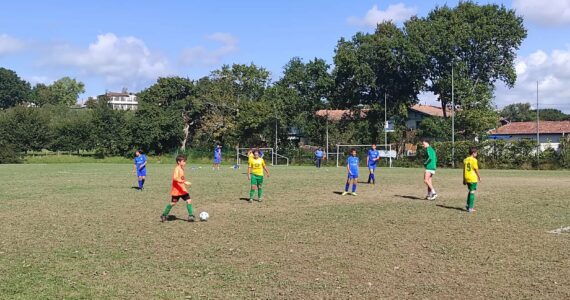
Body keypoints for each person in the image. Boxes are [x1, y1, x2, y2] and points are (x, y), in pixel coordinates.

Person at [160, 155, 195, 222]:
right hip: (176, 190)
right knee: (173, 203)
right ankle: (164, 215)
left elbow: (180, 178)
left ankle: (191, 216)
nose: (185, 163)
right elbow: (175, 178)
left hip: (182, 190)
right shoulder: (177, 168)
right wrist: (184, 182)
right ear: (179, 162)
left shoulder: (182, 168)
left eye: (185, 161)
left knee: (189, 200)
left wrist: (184, 183)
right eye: (183, 161)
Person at [463, 147, 481, 212]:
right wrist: (479, 177)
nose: (477, 154)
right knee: (472, 192)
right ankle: (470, 208)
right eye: (476, 153)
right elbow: (476, 170)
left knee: (470, 191)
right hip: (472, 178)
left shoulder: (465, 159)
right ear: (473, 153)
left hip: (467, 178)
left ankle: (468, 205)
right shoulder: (474, 160)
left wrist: (464, 179)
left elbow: (464, 170)